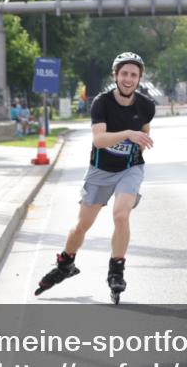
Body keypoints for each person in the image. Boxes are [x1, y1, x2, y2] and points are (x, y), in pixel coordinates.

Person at [34, 52, 155, 304]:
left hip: (129, 169)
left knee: (121, 215)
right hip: (100, 170)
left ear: (139, 78)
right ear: (115, 75)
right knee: (81, 226)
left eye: (134, 74)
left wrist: (138, 141)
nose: (128, 79)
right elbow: (99, 140)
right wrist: (128, 134)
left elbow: (143, 135)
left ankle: (116, 270)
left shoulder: (146, 105)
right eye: (124, 73)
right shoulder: (101, 103)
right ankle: (65, 263)